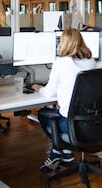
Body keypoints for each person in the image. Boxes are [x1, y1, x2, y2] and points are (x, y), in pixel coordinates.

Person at [35, 28, 97, 173]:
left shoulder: (61, 62)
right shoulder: (91, 61)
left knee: (43, 114)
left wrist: (38, 88)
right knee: (60, 111)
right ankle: (65, 152)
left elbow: (49, 93)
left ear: (63, 44)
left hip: (71, 125)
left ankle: (58, 150)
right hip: (92, 122)